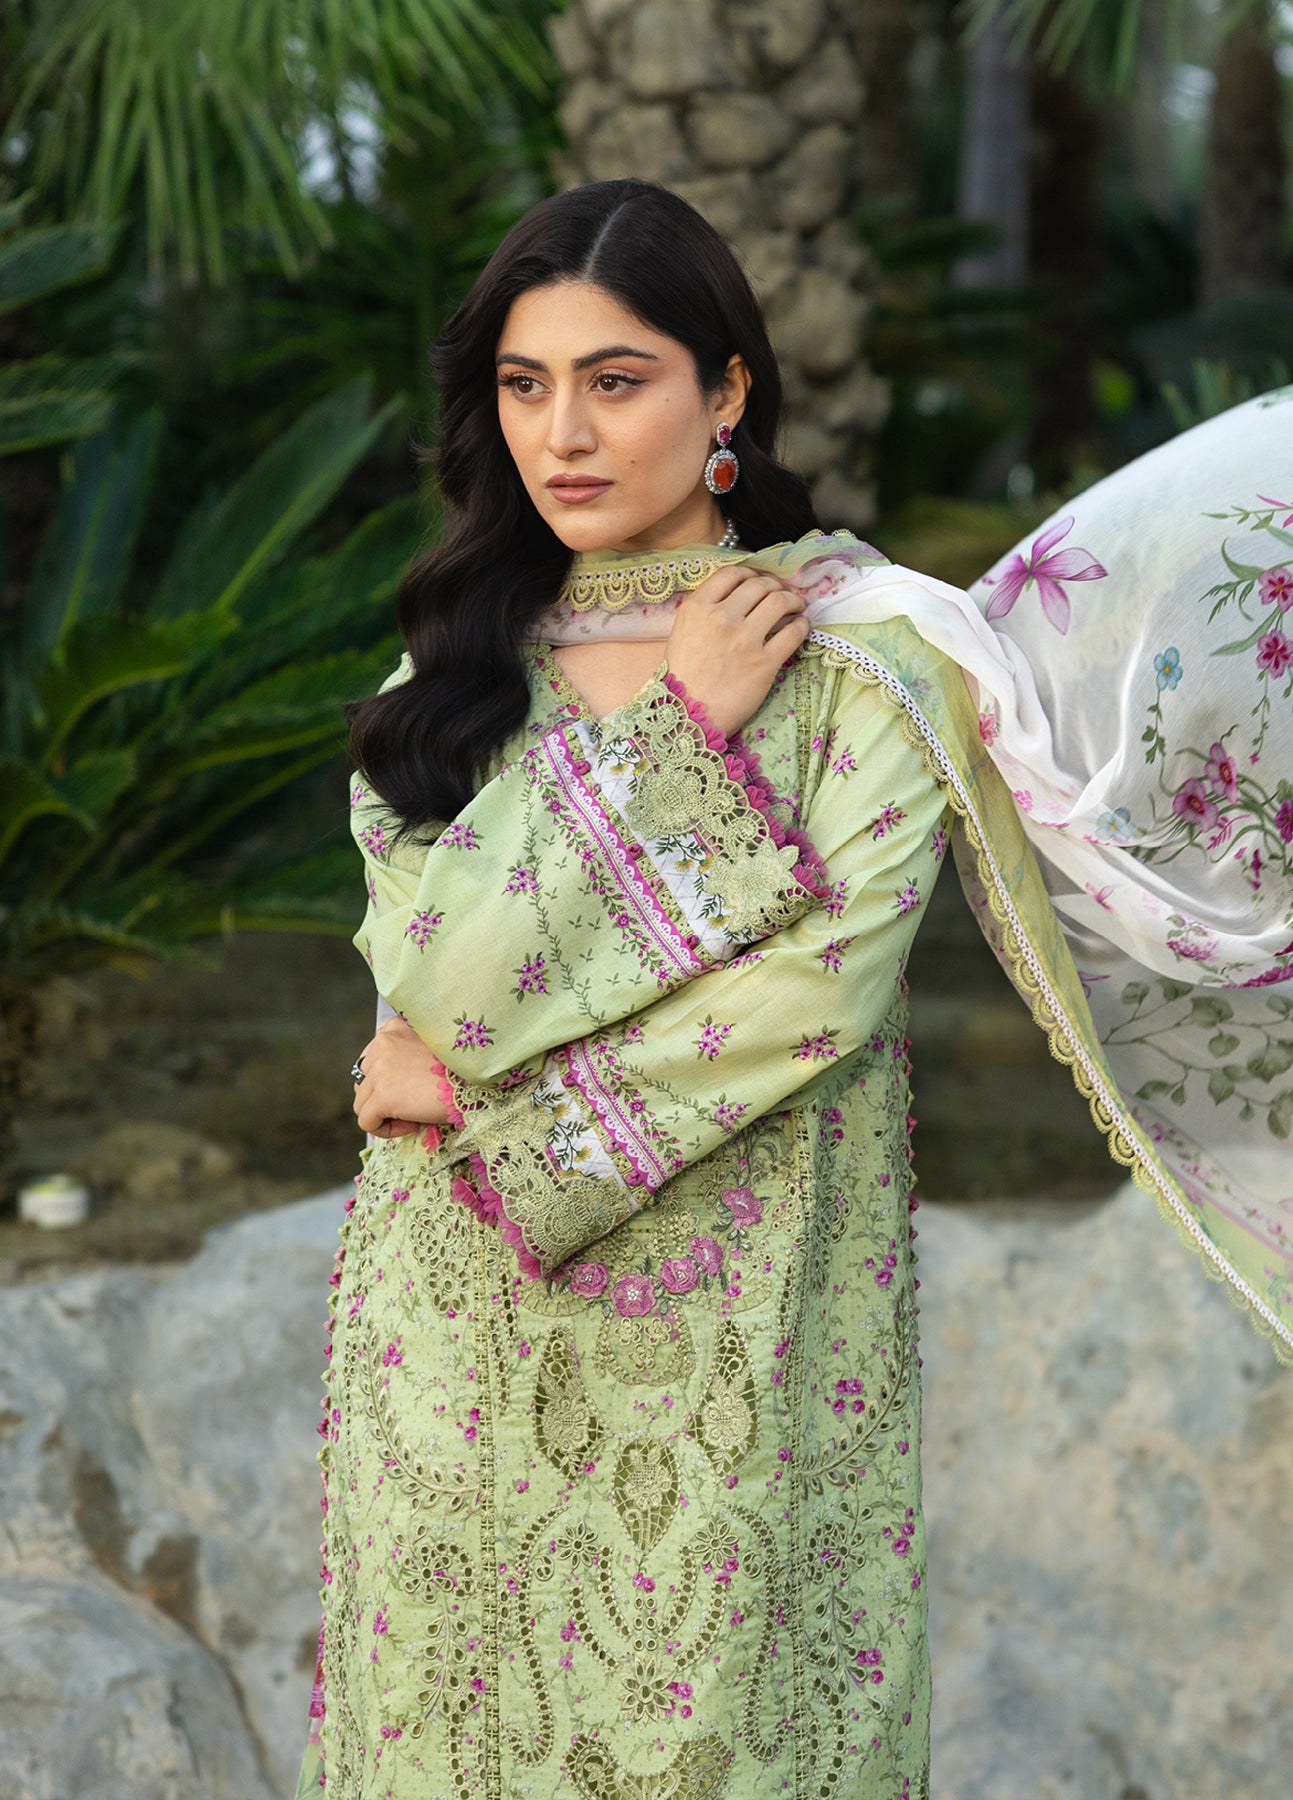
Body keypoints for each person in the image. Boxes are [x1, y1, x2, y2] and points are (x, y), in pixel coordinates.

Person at [297, 180, 1292, 1800]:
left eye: (616, 380)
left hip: (743, 1337)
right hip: (452, 1340)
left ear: (726, 395)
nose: (562, 433)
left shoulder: (869, 667)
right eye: (524, 385)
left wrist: (476, 1104)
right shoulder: (445, 680)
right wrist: (674, 729)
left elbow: (801, 1010)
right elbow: (448, 976)